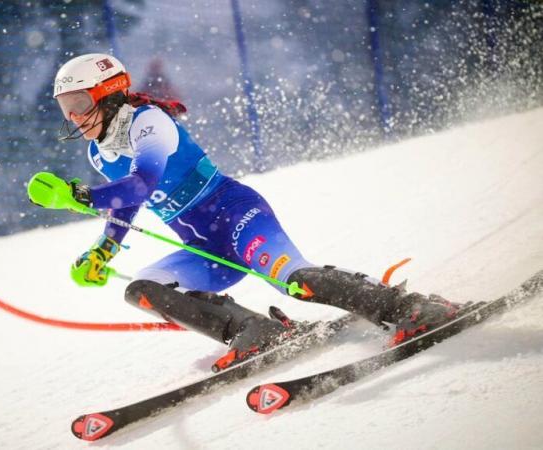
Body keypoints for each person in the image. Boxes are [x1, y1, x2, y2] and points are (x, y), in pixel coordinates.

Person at [43, 53, 461, 371]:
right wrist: (103, 251)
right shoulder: (101, 151)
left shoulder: (149, 123)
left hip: (239, 216)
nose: (74, 116)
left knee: (295, 282)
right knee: (142, 289)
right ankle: (254, 330)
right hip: (205, 247)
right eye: (66, 107)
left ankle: (408, 308)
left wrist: (80, 196)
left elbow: (142, 184)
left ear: (110, 92)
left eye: (79, 102)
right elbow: (127, 203)